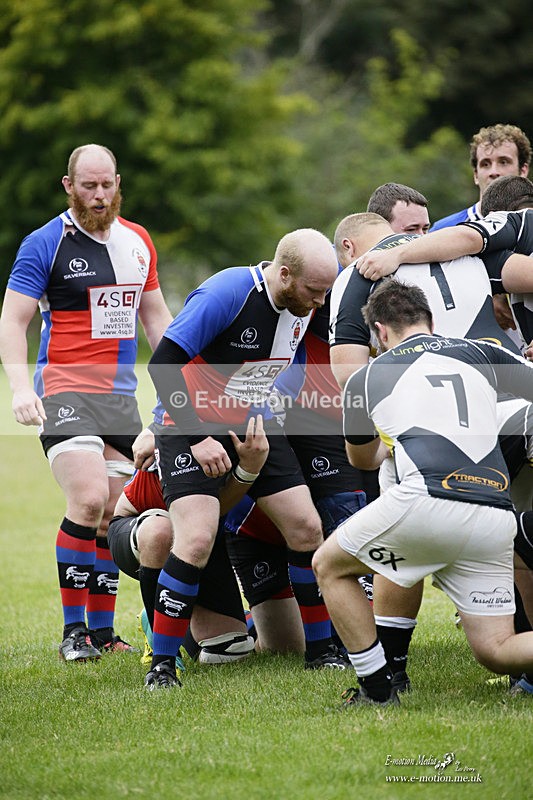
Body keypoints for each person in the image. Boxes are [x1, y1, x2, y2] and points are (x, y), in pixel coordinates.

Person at [329, 211, 531, 689]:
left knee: (331, 566)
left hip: (425, 496)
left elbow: (360, 458)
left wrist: (389, 440)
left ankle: (381, 683)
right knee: (497, 650)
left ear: (379, 332)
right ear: (432, 322)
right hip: (494, 506)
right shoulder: (481, 349)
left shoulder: (366, 372)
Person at [144, 228, 343, 688]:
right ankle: (162, 665)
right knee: (196, 540)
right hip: (188, 423)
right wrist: (197, 437)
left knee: (306, 528)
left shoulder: (303, 302)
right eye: (314, 291)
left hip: (253, 423)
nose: (320, 302)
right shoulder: (228, 292)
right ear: (285, 274)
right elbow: (162, 363)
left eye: (326, 291)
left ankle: (322, 653)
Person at [0, 144, 173, 662]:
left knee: (112, 515)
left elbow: (157, 319)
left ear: (118, 183)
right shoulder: (44, 243)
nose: (99, 195)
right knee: (89, 498)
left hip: (120, 399)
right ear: (69, 186)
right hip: (64, 391)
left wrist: (179, 385)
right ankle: (73, 634)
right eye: (88, 186)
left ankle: (102, 633)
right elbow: (13, 320)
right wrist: (20, 387)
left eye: (107, 185)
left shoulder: (138, 241)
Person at [107, 416, 269, 666]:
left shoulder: (250, 432)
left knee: (229, 651)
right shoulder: (191, 426)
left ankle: (174, 615)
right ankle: (160, 644)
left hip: (200, 539)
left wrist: (249, 468)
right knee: (162, 531)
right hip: (140, 525)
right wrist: (153, 431)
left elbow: (215, 512)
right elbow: (171, 402)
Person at [430, 123, 531, 231]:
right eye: (485, 164)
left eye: (503, 162)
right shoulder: (444, 230)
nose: (494, 172)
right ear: (476, 175)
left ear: (523, 171)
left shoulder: (530, 226)